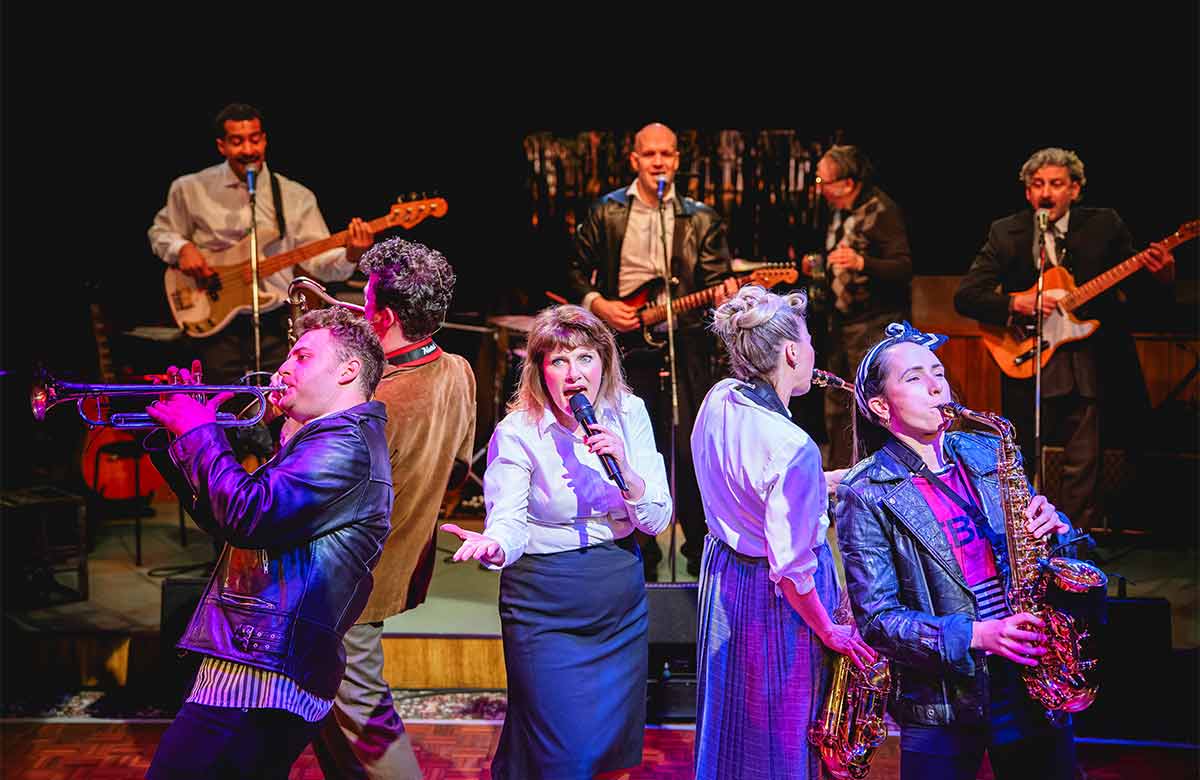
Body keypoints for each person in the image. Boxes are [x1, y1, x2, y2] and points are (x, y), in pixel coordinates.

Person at [143, 307, 391, 780]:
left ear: (348, 371)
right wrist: (177, 436)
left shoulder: (345, 444)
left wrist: (199, 432)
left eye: (301, 356)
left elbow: (246, 515)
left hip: (264, 669)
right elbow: (226, 518)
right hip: (254, 661)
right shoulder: (322, 439)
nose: (282, 369)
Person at [835, 321, 1088, 780]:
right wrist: (978, 635)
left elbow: (1047, 558)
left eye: (938, 372)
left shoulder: (988, 453)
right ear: (878, 405)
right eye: (914, 378)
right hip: (943, 702)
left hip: (1028, 677)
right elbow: (877, 620)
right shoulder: (864, 491)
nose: (936, 386)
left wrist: (1057, 528)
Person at [441, 304, 672, 779]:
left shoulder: (630, 414)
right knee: (560, 753)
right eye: (559, 361)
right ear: (540, 371)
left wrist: (627, 470)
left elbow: (657, 520)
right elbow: (508, 521)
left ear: (605, 362)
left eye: (585, 358)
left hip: (617, 599)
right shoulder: (518, 431)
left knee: (612, 752)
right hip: (544, 605)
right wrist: (494, 545)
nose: (573, 374)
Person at [690, 285, 876, 779]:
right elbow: (792, 571)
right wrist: (829, 629)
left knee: (733, 730)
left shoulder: (719, 398)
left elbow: (743, 480)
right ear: (792, 351)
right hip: (776, 603)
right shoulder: (793, 445)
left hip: (726, 578)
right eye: (809, 340)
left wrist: (817, 484)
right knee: (781, 735)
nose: (812, 351)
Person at [311, 237, 476, 780]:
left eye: (364, 302)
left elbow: (306, 486)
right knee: (327, 710)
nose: (356, 308)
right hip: (397, 561)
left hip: (347, 577)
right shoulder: (457, 370)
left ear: (382, 316)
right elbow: (457, 468)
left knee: (363, 715)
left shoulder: (371, 403)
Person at [954, 147, 1174, 530]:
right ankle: (1021, 539)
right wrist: (1016, 302)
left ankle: (1072, 537)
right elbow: (967, 296)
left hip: (1090, 358)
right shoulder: (1006, 232)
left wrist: (1163, 277)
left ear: (1075, 189)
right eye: (1037, 184)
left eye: (1056, 184)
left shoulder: (1104, 225)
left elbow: (1142, 299)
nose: (1046, 193)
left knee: (1084, 453)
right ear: (1027, 193)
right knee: (1022, 450)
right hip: (1028, 356)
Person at [566, 121, 735, 579]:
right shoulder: (606, 212)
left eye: (667, 154)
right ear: (634, 160)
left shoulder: (700, 218)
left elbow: (716, 284)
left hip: (683, 350)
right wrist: (599, 305)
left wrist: (715, 299)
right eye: (649, 154)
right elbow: (573, 271)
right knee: (632, 446)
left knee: (687, 452)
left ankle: (702, 556)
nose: (658, 161)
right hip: (622, 346)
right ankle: (641, 553)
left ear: (677, 160)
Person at [149, 102, 376, 383]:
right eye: (237, 141)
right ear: (221, 145)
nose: (248, 150)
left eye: (254, 139)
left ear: (265, 139)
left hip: (274, 318)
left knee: (279, 397)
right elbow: (160, 232)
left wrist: (351, 254)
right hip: (212, 316)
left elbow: (318, 265)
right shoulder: (189, 188)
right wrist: (182, 248)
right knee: (222, 400)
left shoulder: (295, 196)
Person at [800, 144, 912, 470]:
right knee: (836, 402)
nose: (821, 190)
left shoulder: (882, 210)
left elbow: (903, 267)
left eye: (825, 183)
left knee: (868, 404)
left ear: (848, 183)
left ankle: (874, 478)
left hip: (874, 323)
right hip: (841, 324)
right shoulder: (840, 211)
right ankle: (839, 480)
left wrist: (863, 262)